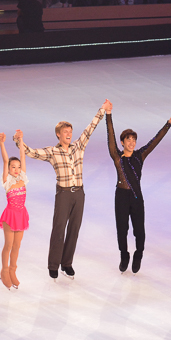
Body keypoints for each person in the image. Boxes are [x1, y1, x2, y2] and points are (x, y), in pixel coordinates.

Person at [13, 99, 110, 280]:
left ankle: (67, 264)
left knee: (74, 228)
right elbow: (31, 152)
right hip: (63, 194)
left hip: (79, 193)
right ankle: (53, 265)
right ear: (58, 134)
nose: (69, 134)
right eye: (65, 132)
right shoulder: (52, 152)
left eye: (70, 131)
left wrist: (102, 110)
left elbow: (90, 128)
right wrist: (18, 140)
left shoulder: (78, 146)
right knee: (59, 228)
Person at [104, 104, 171, 274]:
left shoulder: (140, 155)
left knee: (139, 230)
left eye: (134, 140)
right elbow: (110, 136)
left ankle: (139, 254)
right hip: (121, 196)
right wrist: (109, 114)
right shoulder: (117, 157)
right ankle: (124, 255)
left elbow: (155, 141)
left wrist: (168, 124)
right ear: (123, 143)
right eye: (129, 140)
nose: (132, 143)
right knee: (122, 229)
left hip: (136, 198)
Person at [0, 132, 28, 290]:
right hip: (10, 216)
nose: (16, 169)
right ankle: (4, 271)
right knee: (8, 244)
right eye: (13, 167)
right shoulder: (7, 181)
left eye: (18, 167)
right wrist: (1, 143)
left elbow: (23, 156)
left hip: (21, 215)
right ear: (9, 169)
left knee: (17, 245)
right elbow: (4, 159)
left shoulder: (23, 177)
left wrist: (21, 140)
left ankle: (13, 271)